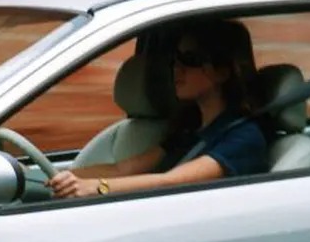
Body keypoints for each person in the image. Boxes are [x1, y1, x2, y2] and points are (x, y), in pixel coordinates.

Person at [45, 19, 269, 198]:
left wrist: (97, 187)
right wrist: (56, 177)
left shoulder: (244, 138)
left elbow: (170, 181)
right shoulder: (189, 129)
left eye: (190, 59)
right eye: (175, 59)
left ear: (223, 71)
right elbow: (122, 170)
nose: (177, 68)